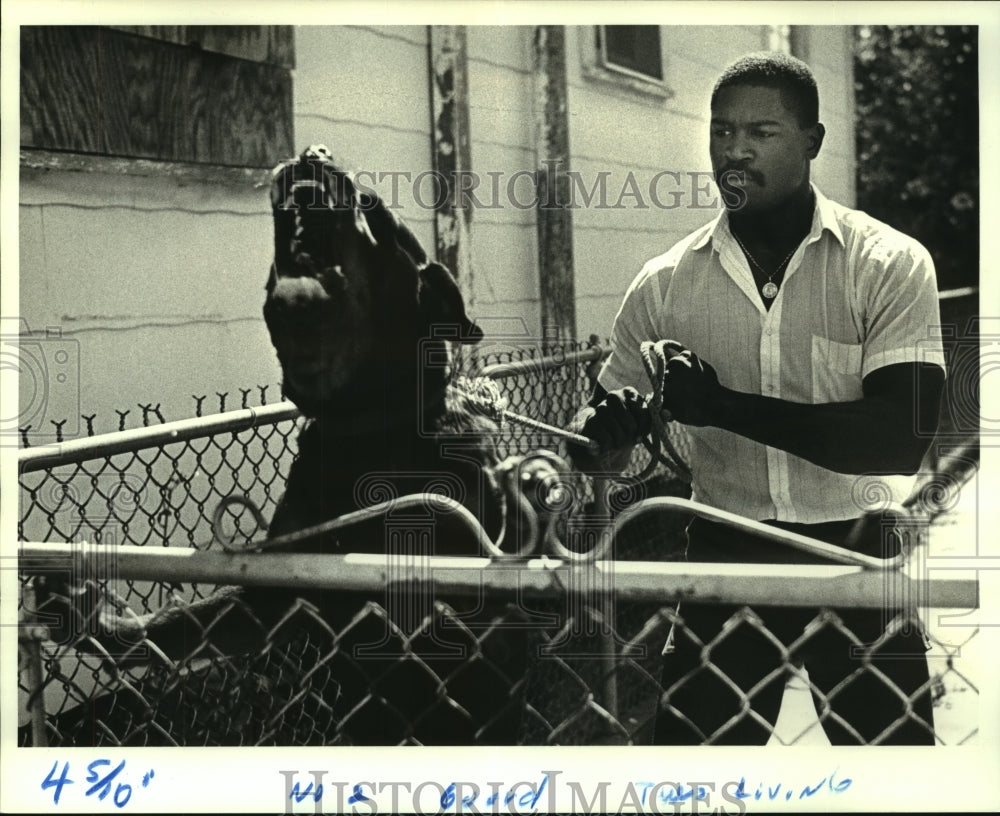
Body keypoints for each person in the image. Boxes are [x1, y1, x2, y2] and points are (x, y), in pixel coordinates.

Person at [568, 52, 946, 745]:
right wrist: (609, 435)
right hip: (725, 555)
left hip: (858, 556)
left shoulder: (887, 262)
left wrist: (722, 407)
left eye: (762, 133)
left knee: (900, 778)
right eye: (720, 131)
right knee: (694, 779)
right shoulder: (664, 283)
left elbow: (899, 438)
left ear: (813, 143)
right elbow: (596, 458)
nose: (734, 151)